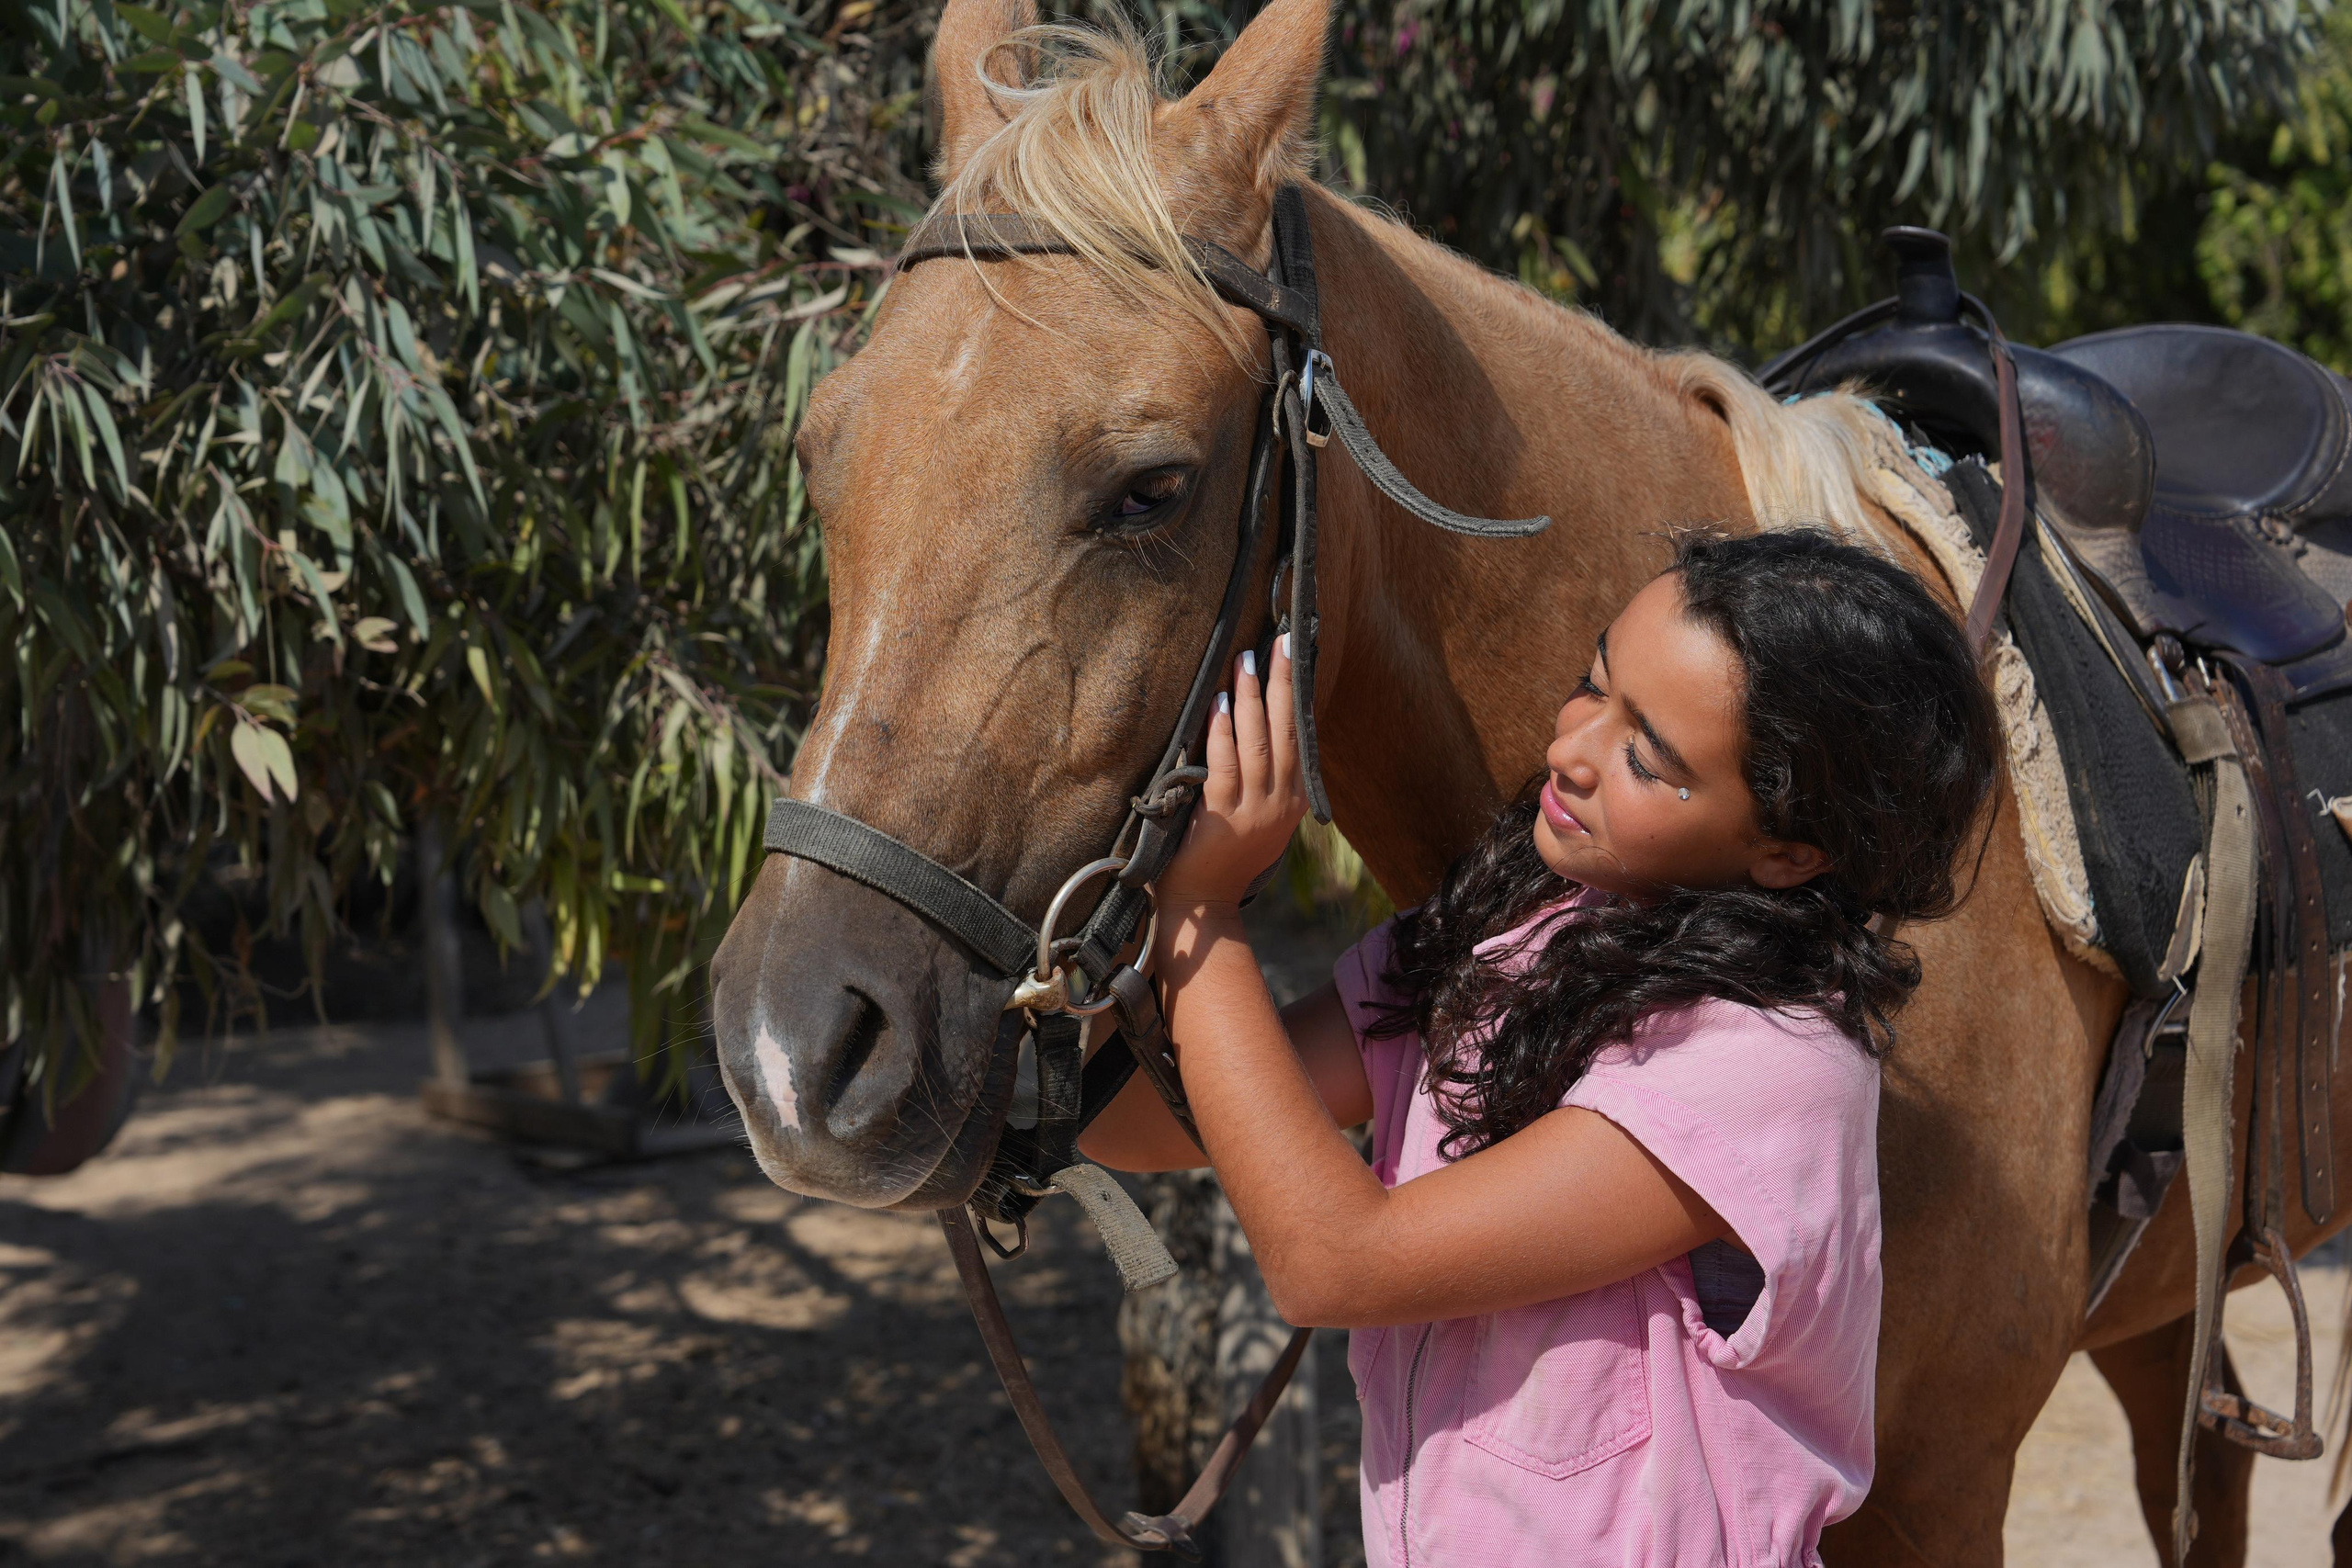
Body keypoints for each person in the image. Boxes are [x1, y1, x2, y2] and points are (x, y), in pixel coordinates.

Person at [1079, 526, 2003, 1567]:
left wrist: (1204, 909)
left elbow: (1335, 1262)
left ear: (1788, 850)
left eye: (1646, 756)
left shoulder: (1771, 1062)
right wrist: (1128, 880)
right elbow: (1135, 1120)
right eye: (1589, 684)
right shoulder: (1507, 934)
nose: (1571, 749)